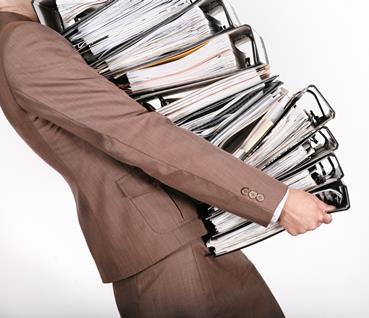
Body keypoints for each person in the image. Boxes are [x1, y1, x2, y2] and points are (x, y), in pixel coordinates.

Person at [0, 1, 335, 317]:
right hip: (168, 249)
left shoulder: (18, 38)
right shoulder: (23, 43)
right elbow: (141, 136)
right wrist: (277, 201)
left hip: (164, 238)